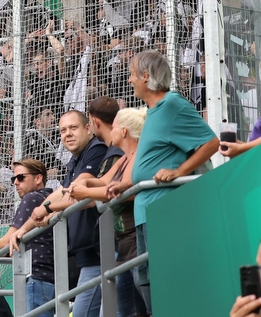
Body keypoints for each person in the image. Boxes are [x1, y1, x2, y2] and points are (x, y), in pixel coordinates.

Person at [108, 49, 219, 313]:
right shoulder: (153, 111)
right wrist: (130, 184)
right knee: (146, 281)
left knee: (165, 283)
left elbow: (211, 142)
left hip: (165, 210)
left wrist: (180, 171)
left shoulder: (172, 104)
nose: (129, 81)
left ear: (145, 77)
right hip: (145, 211)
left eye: (132, 75)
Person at [26, 110, 108, 317]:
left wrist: (47, 209)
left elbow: (74, 191)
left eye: (73, 128)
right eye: (63, 130)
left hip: (101, 252)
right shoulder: (74, 161)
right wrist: (40, 218)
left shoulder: (96, 149)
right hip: (87, 255)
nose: (67, 134)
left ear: (88, 128)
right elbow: (62, 193)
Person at [68, 106, 148, 317]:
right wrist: (85, 180)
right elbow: (103, 182)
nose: (110, 131)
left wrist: (84, 189)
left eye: (114, 127)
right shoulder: (122, 158)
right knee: (128, 307)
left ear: (123, 131)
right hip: (123, 241)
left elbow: (119, 189)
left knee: (145, 300)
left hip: (134, 236)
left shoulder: (137, 154)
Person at [0, 158, 55, 316]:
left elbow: (11, 236)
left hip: (37, 275)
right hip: (52, 275)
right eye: (13, 178)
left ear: (38, 178)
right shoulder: (50, 198)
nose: (15, 182)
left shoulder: (32, 198)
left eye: (21, 177)